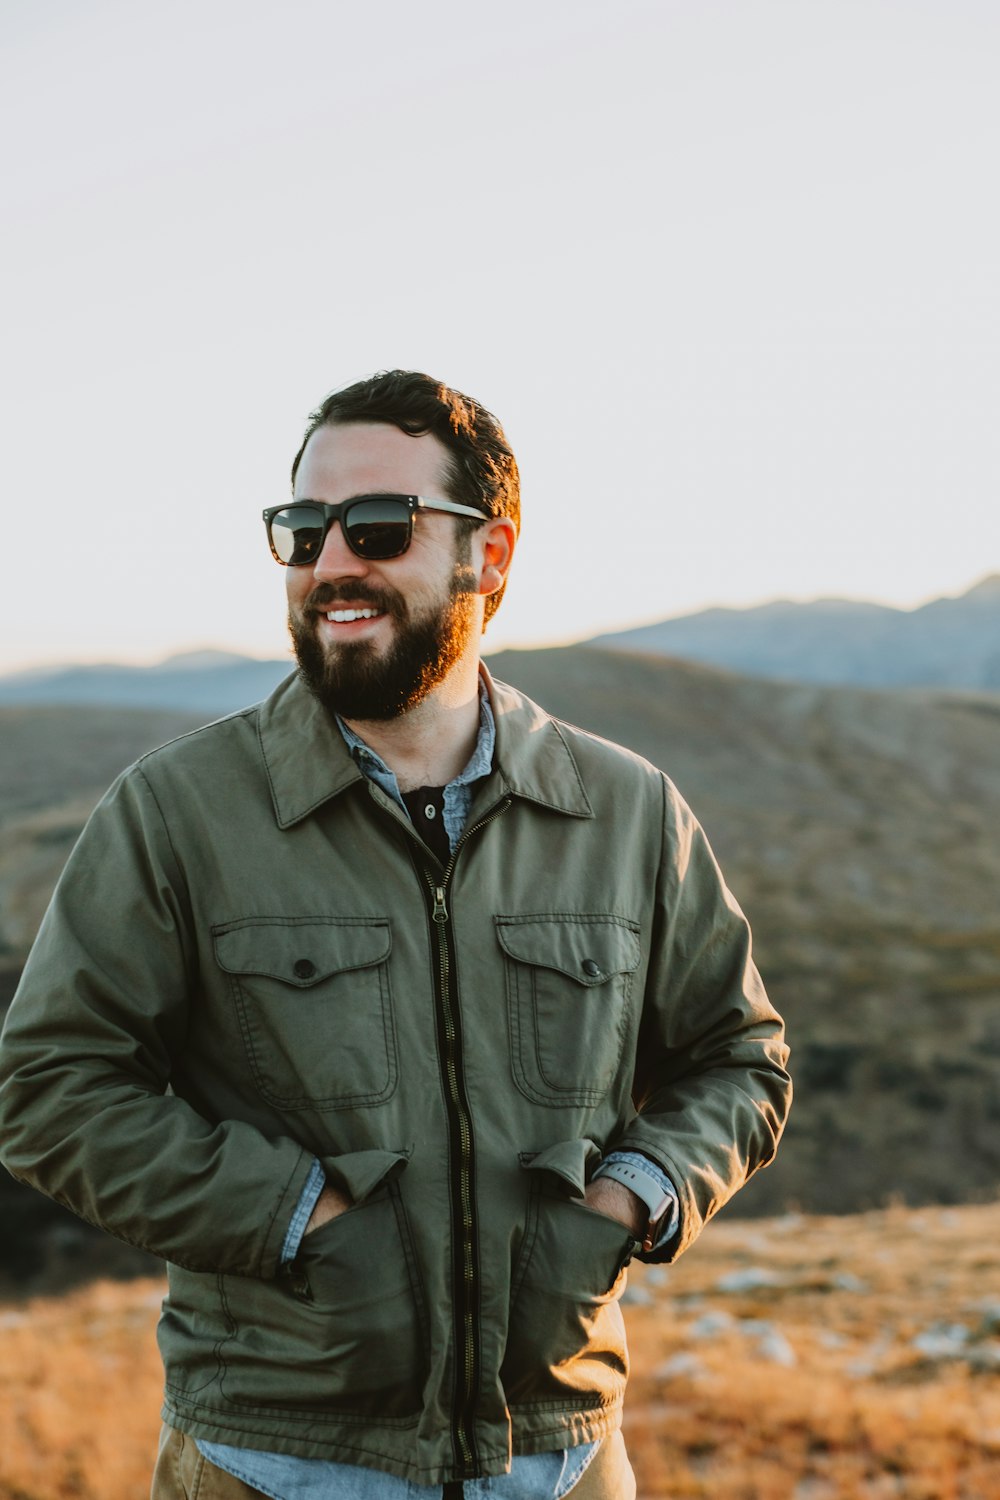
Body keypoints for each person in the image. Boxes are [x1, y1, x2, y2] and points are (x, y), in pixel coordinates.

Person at [0, 370, 792, 1499]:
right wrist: (293, 1216)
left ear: (492, 554)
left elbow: (739, 1059)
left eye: (376, 528)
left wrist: (633, 1194)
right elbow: (49, 1089)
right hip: (274, 1461)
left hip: (562, 1458)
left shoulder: (626, 811)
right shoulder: (175, 811)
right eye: (302, 530)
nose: (332, 565)